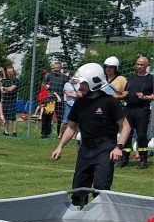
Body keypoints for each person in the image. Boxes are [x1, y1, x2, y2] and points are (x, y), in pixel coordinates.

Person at [51, 63, 132, 206]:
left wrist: (118, 147)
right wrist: (60, 147)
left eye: (83, 83)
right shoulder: (80, 102)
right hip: (85, 148)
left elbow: (126, 126)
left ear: (94, 82)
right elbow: (71, 127)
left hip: (105, 148)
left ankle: (101, 221)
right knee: (78, 189)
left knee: (101, 188)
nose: (79, 87)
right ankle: (77, 221)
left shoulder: (109, 101)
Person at [120, 55, 152, 169]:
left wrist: (145, 97)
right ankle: (124, 158)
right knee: (127, 134)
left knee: (142, 135)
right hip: (128, 109)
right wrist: (124, 94)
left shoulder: (151, 79)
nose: (139, 66)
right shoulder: (131, 77)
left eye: (142, 64)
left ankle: (143, 159)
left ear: (147, 65)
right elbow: (125, 90)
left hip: (142, 110)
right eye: (138, 64)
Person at [43, 61, 68, 138]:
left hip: (60, 99)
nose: (55, 69)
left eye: (57, 67)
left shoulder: (64, 77)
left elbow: (67, 86)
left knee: (60, 117)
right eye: (54, 67)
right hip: (51, 98)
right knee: (47, 115)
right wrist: (48, 88)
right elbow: (43, 83)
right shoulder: (50, 75)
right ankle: (45, 133)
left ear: (60, 68)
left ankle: (59, 134)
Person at [0, 65, 19, 136]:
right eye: (9, 72)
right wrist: (6, 89)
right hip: (5, 100)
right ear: (7, 72)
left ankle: (14, 132)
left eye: (11, 71)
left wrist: (4, 88)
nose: (10, 73)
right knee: (5, 117)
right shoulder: (4, 80)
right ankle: (6, 131)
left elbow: (11, 89)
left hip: (12, 100)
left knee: (13, 117)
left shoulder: (16, 80)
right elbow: (1, 89)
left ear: (13, 72)